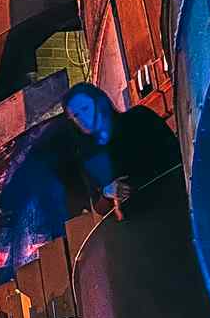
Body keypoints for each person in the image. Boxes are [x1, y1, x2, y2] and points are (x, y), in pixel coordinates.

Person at [61, 83, 182, 218]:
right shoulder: (89, 158)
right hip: (141, 224)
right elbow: (99, 207)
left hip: (175, 202)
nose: (83, 118)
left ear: (100, 102)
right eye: (76, 115)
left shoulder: (139, 118)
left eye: (85, 108)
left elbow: (176, 153)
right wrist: (107, 192)